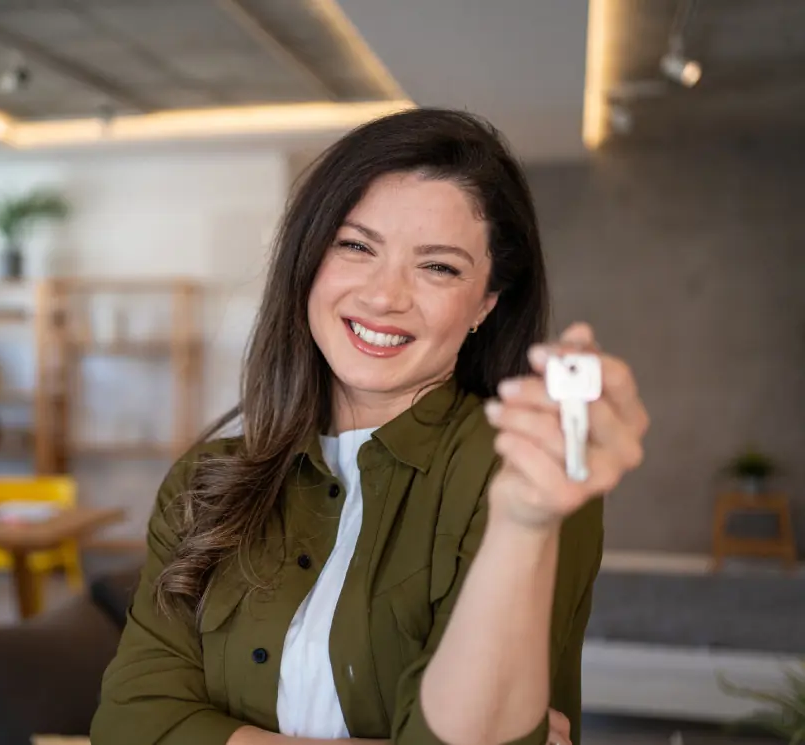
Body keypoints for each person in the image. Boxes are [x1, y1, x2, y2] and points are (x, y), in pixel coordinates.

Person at [90, 108, 649, 745]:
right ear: (309, 261)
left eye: (438, 266)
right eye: (356, 246)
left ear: (486, 303)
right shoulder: (204, 480)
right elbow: (131, 722)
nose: (385, 296)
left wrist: (525, 519)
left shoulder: (526, 473)